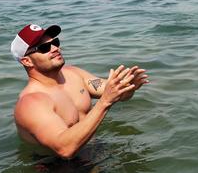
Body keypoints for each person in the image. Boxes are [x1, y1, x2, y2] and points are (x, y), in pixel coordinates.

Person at [12, 24, 148, 159]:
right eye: (44, 47)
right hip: (60, 166)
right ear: (27, 61)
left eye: (55, 42)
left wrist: (129, 86)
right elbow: (64, 149)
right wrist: (105, 101)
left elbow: (116, 93)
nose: (55, 48)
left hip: (95, 149)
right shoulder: (31, 103)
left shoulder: (73, 74)